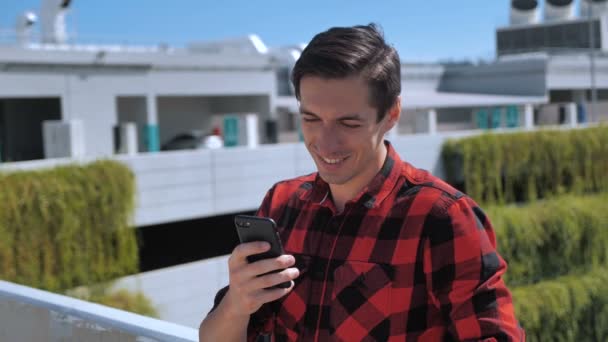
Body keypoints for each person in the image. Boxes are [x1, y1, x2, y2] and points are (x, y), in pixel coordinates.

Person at [199, 24, 524, 341]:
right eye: (310, 118)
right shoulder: (282, 204)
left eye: (348, 123)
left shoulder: (441, 218)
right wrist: (237, 304)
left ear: (392, 114)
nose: (325, 143)